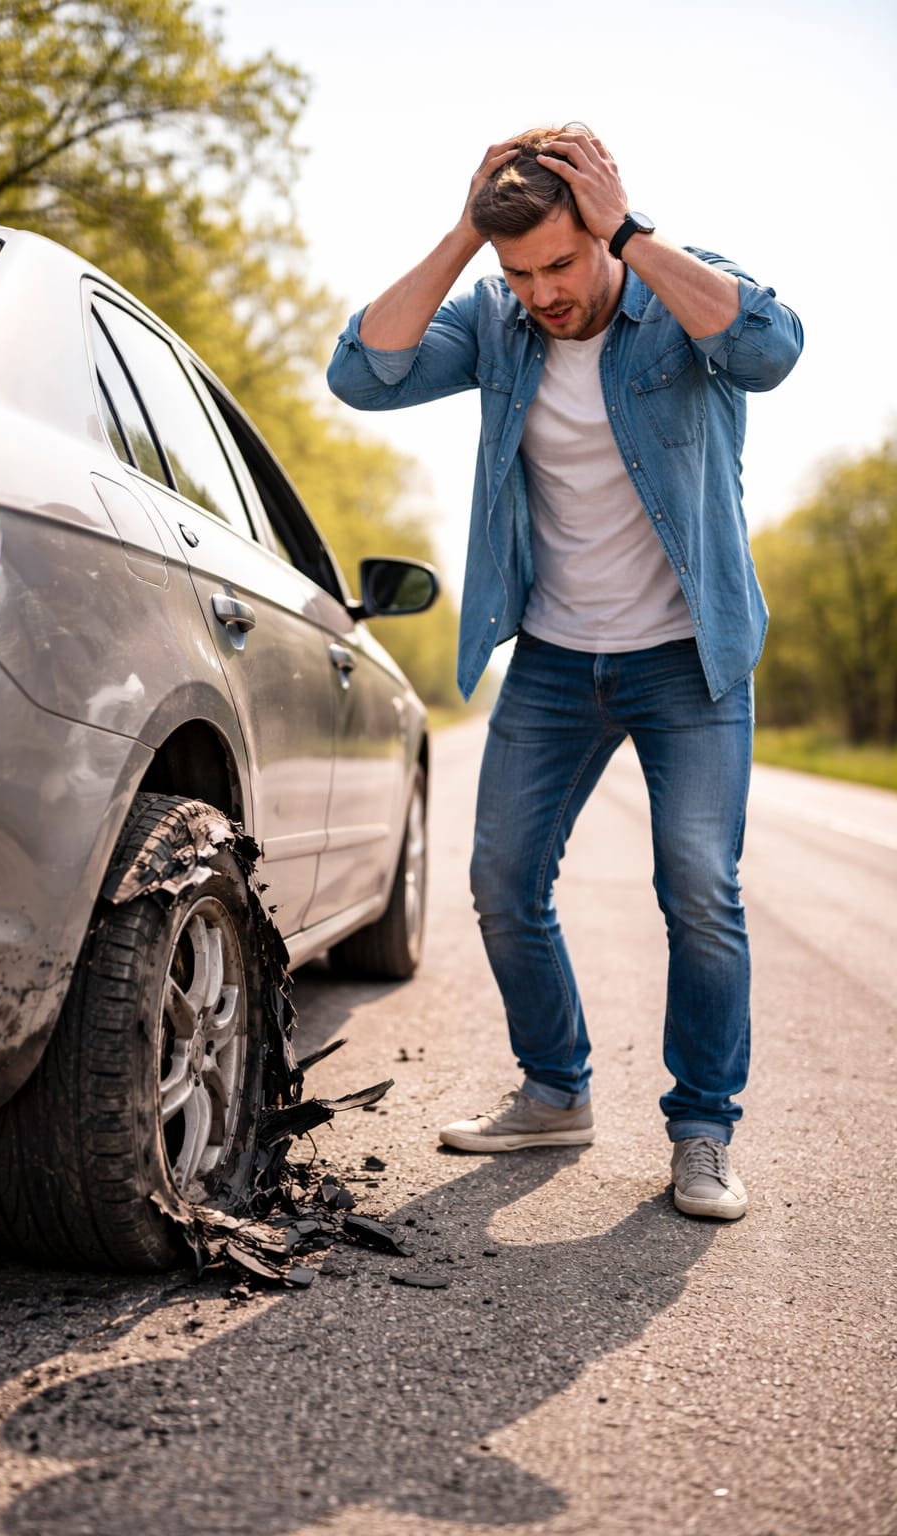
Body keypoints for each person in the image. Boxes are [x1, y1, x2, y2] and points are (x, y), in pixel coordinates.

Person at [327, 125, 803, 1219]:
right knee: (501, 882)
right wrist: (463, 236)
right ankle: (554, 1091)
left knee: (698, 889)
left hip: (687, 659)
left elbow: (770, 352)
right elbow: (363, 374)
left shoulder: (678, 299)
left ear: (600, 234)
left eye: (560, 263)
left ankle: (700, 1132)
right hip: (550, 659)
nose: (541, 291)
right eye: (519, 271)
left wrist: (633, 235)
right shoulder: (496, 322)